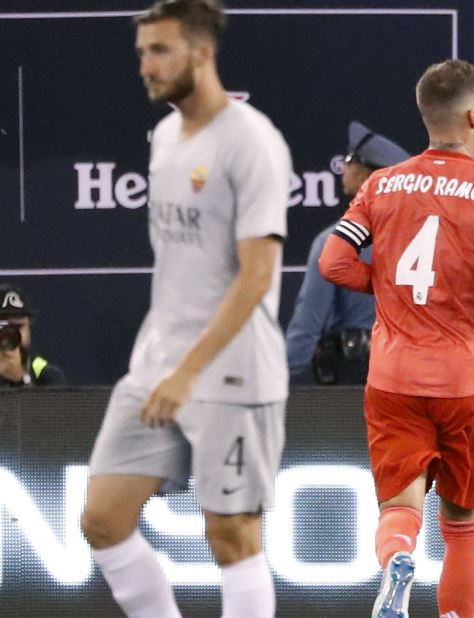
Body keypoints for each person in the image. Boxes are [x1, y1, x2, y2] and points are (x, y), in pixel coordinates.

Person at [80, 2, 291, 616]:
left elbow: (256, 276)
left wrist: (189, 372)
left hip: (231, 373)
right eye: (142, 52)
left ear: (202, 52)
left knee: (231, 537)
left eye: (160, 51)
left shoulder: (252, 143)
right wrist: (167, 365)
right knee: (102, 518)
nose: (146, 65)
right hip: (157, 365)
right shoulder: (168, 136)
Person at [319, 59, 474, 618]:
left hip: (394, 375)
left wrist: (387, 285)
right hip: (467, 378)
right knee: (463, 527)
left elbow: (333, 260)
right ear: (472, 115)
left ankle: (397, 558)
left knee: (400, 507)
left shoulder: (383, 184)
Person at [285, 122, 409, 384]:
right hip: (414, 374)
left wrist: (279, 375)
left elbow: (308, 322)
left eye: (350, 160)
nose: (343, 166)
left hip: (354, 380)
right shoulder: (423, 240)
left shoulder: (336, 243)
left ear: (366, 178)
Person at [0, 284, 65, 387]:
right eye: (4, 327)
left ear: (29, 326)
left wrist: (20, 379)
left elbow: (54, 403)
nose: (11, 335)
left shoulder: (45, 375)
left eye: (18, 327)